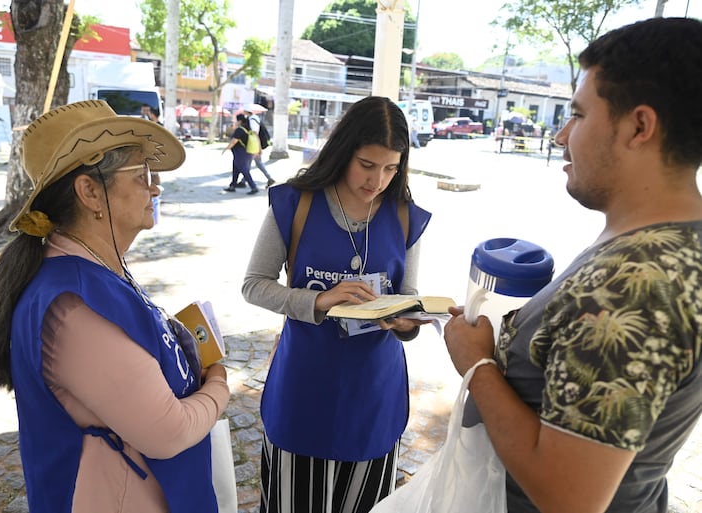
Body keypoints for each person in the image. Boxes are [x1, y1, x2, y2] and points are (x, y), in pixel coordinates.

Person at [443, 17, 702, 513]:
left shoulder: (637, 283)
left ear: (639, 127)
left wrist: (476, 365)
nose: (562, 135)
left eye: (579, 116)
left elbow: (571, 499)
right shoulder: (667, 243)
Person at [0, 100, 230, 512]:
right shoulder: (74, 308)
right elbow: (168, 432)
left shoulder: (92, 273)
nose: (156, 187)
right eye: (143, 174)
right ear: (90, 191)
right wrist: (218, 384)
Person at [242, 95, 433, 513]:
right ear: (343, 150)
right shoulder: (294, 203)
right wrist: (319, 301)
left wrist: (407, 322)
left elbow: (410, 299)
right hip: (304, 389)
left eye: (390, 168)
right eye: (367, 164)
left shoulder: (406, 216)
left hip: (374, 396)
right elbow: (254, 285)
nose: (377, 179)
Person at [222, 113, 258, 195]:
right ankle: (232, 186)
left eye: (236, 120)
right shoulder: (248, 129)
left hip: (240, 153)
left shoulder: (240, 130)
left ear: (240, 121)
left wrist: (226, 148)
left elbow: (234, 141)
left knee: (244, 170)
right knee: (235, 170)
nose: (235, 122)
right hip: (246, 152)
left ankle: (253, 187)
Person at [241, 108, 276, 188]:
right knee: (250, 163)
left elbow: (255, 134)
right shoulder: (253, 118)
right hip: (254, 145)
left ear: (247, 111)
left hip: (254, 145)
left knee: (257, 163)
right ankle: (243, 180)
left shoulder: (252, 119)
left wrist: (259, 148)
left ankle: (270, 178)